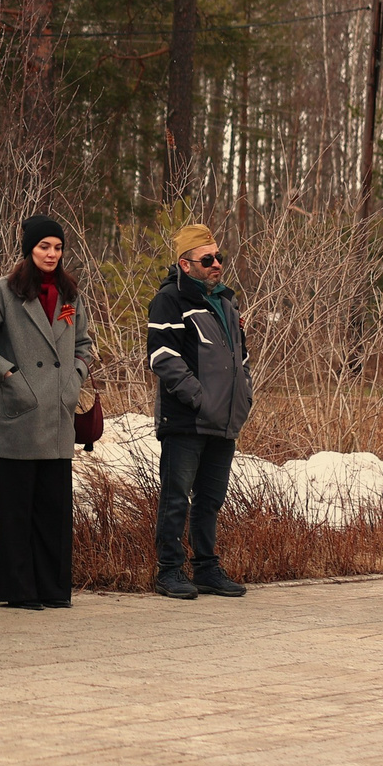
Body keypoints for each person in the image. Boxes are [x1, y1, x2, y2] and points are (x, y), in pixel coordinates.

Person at [0, 214, 94, 608]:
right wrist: (8, 374)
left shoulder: (71, 293)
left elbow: (84, 343)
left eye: (58, 247)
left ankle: (52, 588)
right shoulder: (2, 292)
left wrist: (75, 378)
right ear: (29, 249)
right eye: (44, 246)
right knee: (15, 508)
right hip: (20, 409)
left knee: (54, 508)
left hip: (58, 411)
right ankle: (18, 590)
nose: (51, 253)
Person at [145, 223, 253, 599]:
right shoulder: (169, 300)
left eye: (219, 257)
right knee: (176, 496)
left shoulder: (227, 300)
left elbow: (242, 356)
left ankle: (206, 568)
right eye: (207, 259)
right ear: (185, 264)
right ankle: (169, 570)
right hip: (186, 419)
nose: (217, 264)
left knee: (210, 499)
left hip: (224, 421)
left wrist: (243, 396)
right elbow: (162, 356)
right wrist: (200, 397)